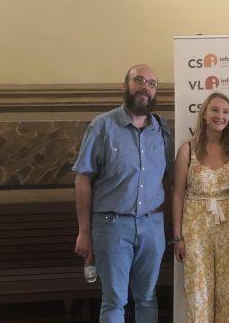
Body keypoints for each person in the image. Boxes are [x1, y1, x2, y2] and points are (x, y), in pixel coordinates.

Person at [72, 64, 173, 323]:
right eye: (139, 80)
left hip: (152, 226)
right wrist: (84, 232)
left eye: (152, 84)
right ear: (124, 85)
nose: (145, 87)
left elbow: (169, 178)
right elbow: (83, 179)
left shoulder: (162, 131)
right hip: (112, 226)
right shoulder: (102, 126)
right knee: (115, 300)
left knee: (148, 297)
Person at [171, 93, 229, 322]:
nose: (219, 116)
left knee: (226, 292)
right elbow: (178, 193)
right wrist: (177, 236)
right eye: (215, 110)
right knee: (198, 293)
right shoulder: (187, 150)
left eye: (225, 112)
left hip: (227, 228)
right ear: (204, 114)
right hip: (195, 227)